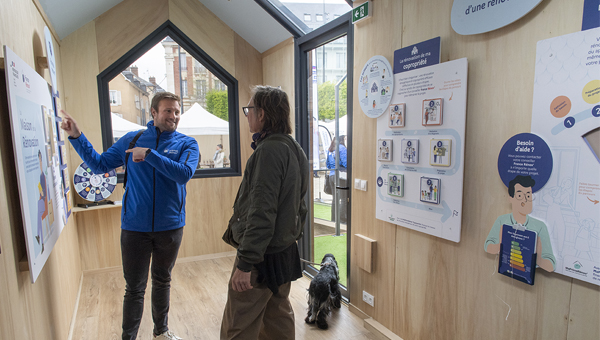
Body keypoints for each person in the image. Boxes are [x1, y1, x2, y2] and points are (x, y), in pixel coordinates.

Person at [61, 92, 199, 340]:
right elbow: (100, 165)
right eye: (168, 111)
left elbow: (183, 174)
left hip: (170, 226)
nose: (174, 116)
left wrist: (150, 155)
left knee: (162, 281)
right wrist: (76, 136)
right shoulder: (132, 139)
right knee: (134, 288)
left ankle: (161, 332)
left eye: (177, 111)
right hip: (135, 227)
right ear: (154, 113)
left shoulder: (187, 144)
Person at [220, 86, 309, 340]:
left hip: (260, 258)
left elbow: (262, 212)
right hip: (282, 252)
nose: (246, 114)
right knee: (277, 319)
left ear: (263, 114)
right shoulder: (294, 148)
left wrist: (245, 263)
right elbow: (298, 208)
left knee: (238, 326)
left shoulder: (269, 151)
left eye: (249, 109)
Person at [484, 175, 555, 272]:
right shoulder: (502, 220)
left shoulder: (540, 226)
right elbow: (487, 247)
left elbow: (551, 266)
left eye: (528, 196)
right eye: (520, 196)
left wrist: (536, 256)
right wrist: (502, 244)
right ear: (511, 198)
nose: (525, 200)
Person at [326, 135, 348, 224]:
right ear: (342, 139)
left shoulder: (331, 149)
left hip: (331, 175)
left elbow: (327, 164)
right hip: (340, 176)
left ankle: (334, 219)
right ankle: (342, 220)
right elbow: (346, 163)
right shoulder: (342, 148)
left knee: (335, 199)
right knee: (343, 198)